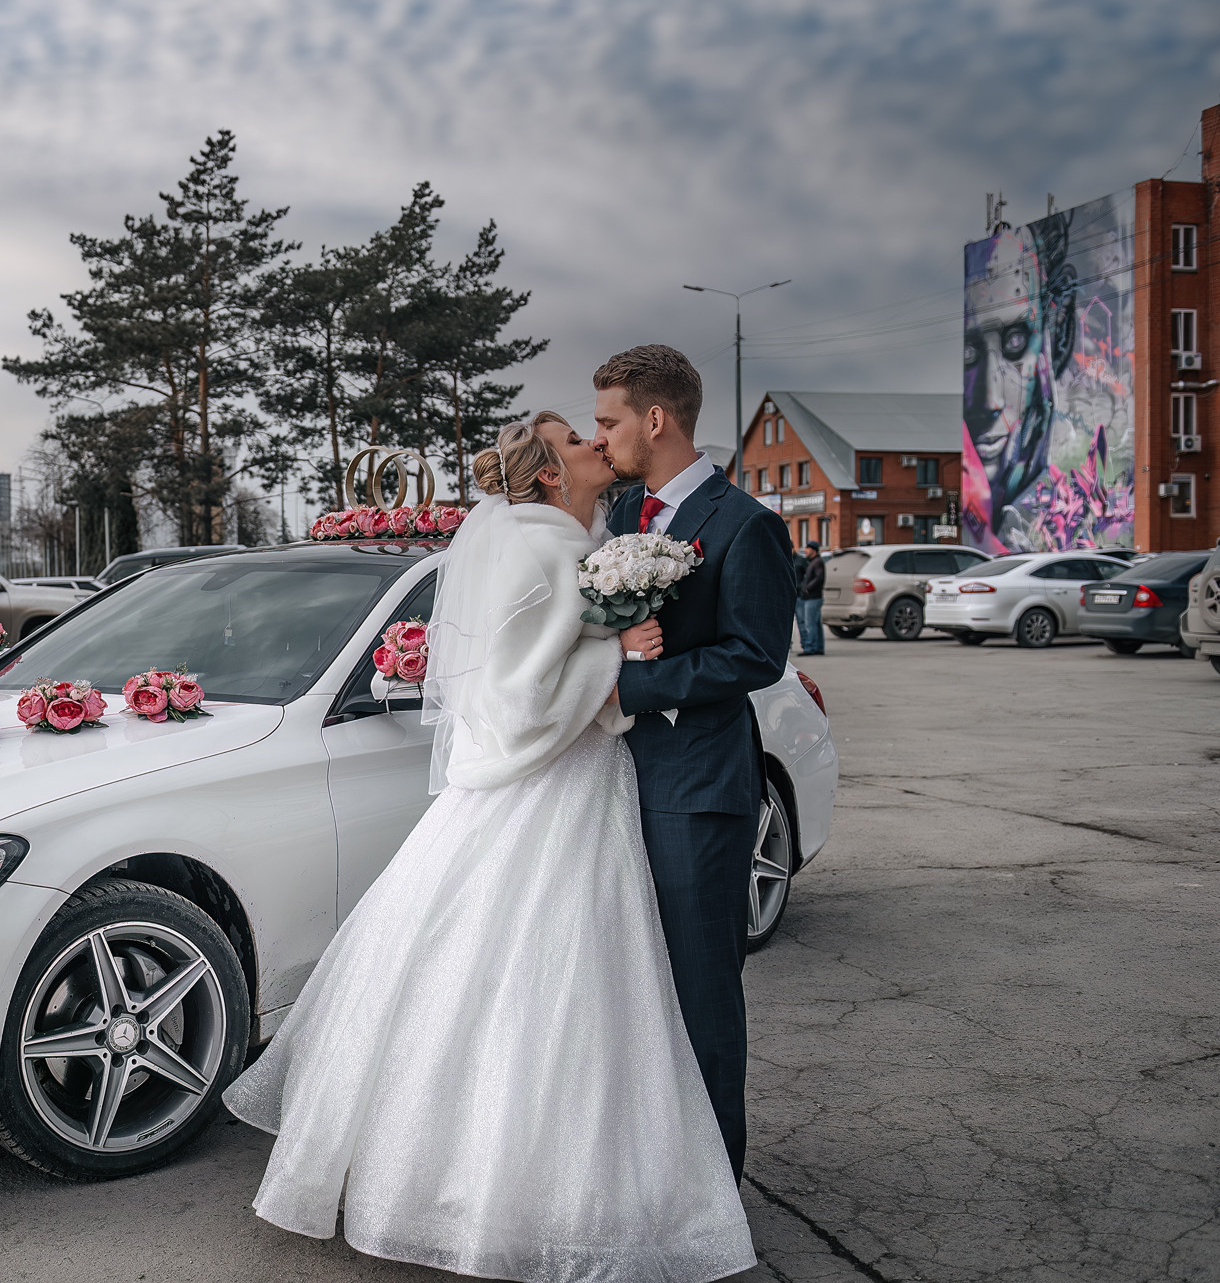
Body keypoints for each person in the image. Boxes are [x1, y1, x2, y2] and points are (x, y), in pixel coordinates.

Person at [225, 411, 757, 1283]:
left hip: (565, 786)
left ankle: (457, 1179)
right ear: (549, 473)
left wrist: (610, 643)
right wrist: (618, 656)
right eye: (577, 440)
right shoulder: (541, 546)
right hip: (552, 786)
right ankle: (528, 1198)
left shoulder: (566, 532)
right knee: (555, 986)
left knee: (529, 984)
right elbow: (517, 700)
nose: (597, 442)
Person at [590, 345, 796, 1182]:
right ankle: (649, 1166)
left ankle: (714, 1185)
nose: (601, 437)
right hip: (610, 783)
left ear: (655, 418)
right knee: (633, 989)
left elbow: (757, 656)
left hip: (697, 789)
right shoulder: (623, 513)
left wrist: (634, 684)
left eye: (609, 421)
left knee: (702, 987)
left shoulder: (745, 524)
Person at [796, 541, 825, 655]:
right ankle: (818, 647)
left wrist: (807, 587)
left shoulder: (817, 562)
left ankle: (810, 648)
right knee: (816, 623)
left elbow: (819, 577)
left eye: (807, 549)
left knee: (810, 623)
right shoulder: (813, 562)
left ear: (813, 550)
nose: (805, 551)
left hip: (813, 597)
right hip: (813, 597)